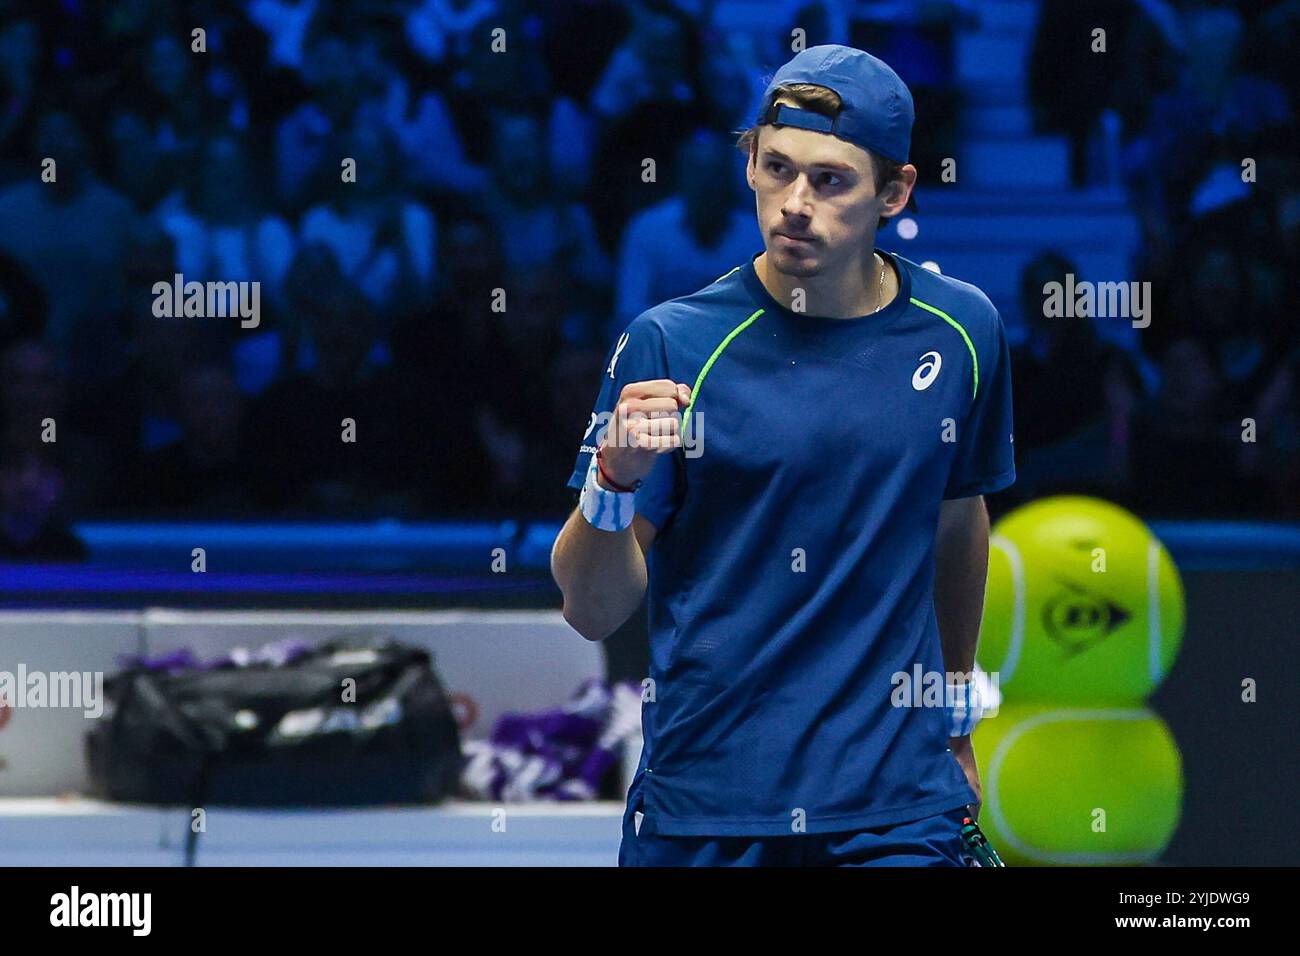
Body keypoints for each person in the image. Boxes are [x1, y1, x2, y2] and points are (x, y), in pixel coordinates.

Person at [551, 45, 1015, 866]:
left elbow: (956, 520)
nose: (795, 204)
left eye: (830, 180)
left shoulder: (964, 331)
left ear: (895, 193)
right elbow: (591, 610)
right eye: (777, 169)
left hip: (899, 811)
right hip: (704, 811)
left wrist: (953, 722)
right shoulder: (670, 342)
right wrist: (613, 480)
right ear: (751, 166)